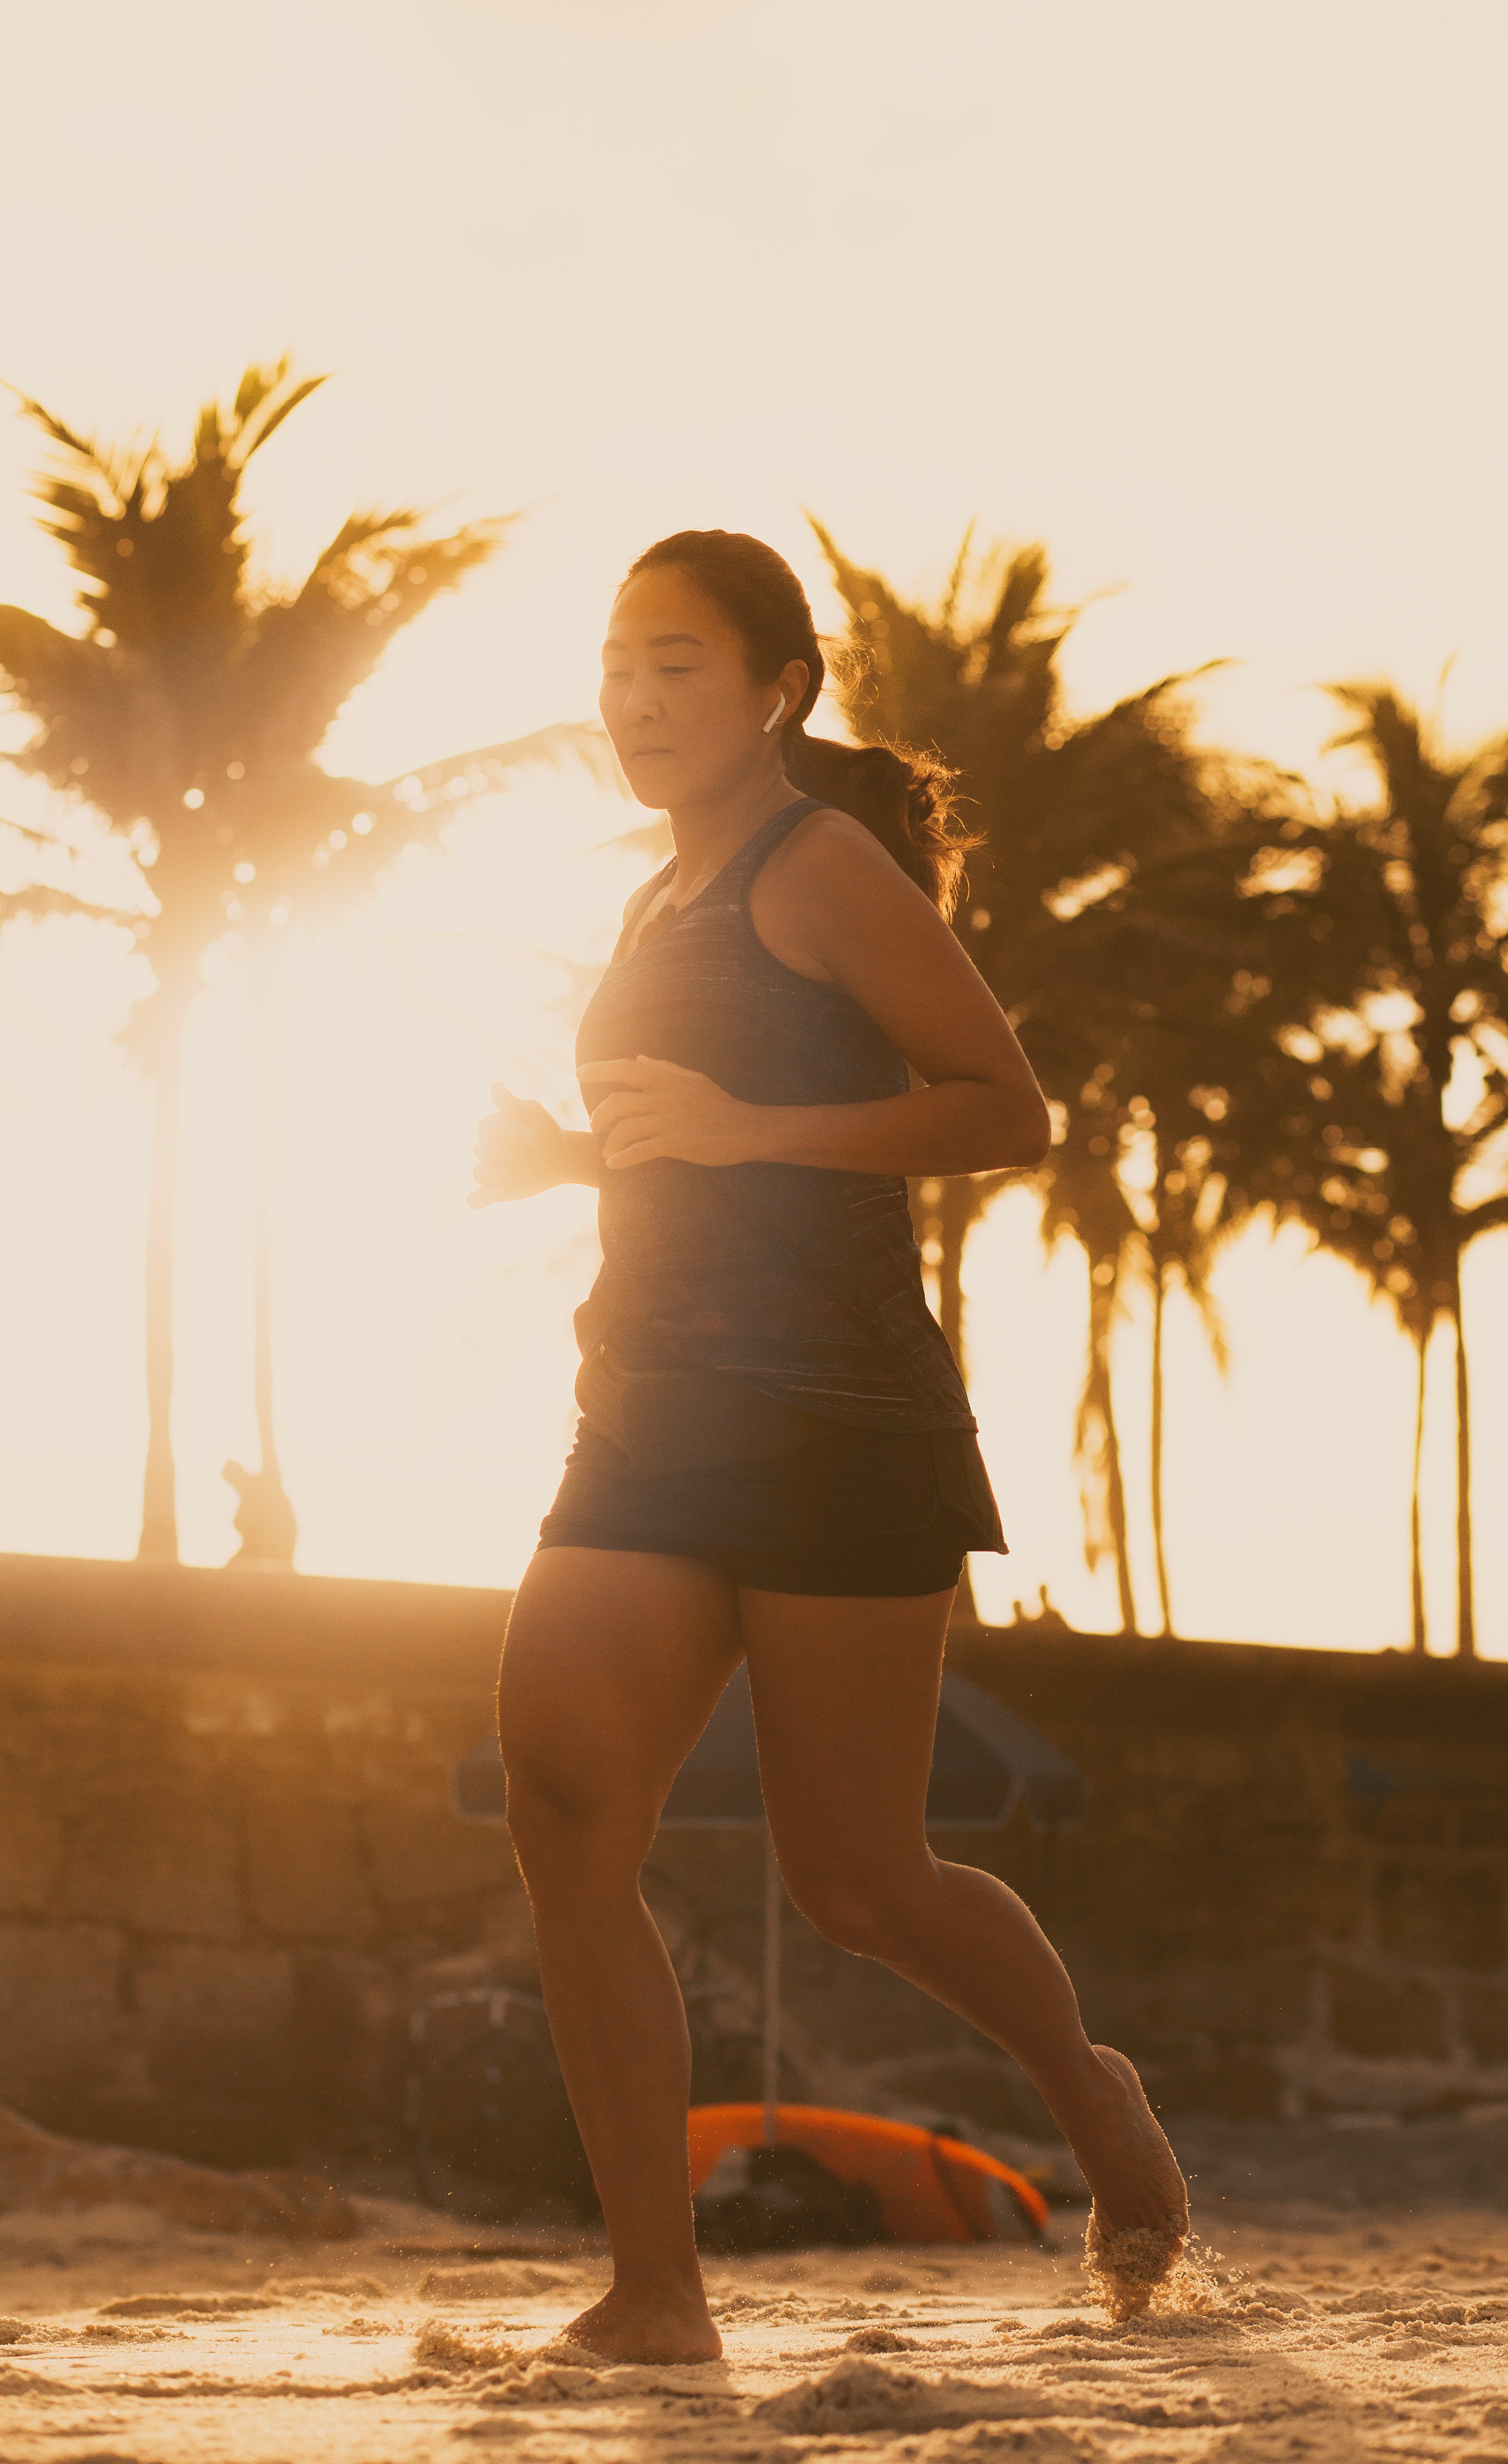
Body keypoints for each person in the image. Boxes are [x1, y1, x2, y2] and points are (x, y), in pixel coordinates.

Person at [472, 530, 1188, 2364]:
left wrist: (742, 1131)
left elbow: (1006, 1108)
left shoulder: (821, 871)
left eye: (679, 664)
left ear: (779, 689)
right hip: (648, 1413)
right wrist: (573, 1156)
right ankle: (657, 2294)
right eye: (619, 663)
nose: (636, 698)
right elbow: (693, 1128)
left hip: (834, 1424)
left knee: (860, 1884)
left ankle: (1093, 2095)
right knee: (563, 1806)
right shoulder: (659, 898)